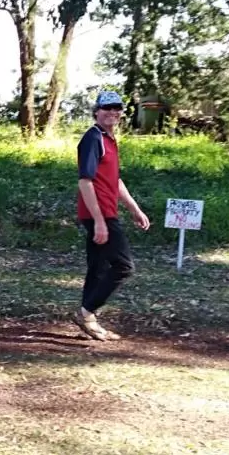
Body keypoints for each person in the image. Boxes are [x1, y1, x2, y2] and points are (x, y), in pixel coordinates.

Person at [73, 90, 150, 341]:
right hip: (99, 213)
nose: (112, 112)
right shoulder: (93, 138)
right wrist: (98, 221)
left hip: (106, 211)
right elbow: (85, 182)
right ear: (96, 111)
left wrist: (134, 209)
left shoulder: (109, 140)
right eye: (107, 108)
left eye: (117, 108)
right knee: (123, 266)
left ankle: (87, 319)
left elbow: (114, 180)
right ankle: (87, 311)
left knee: (98, 266)